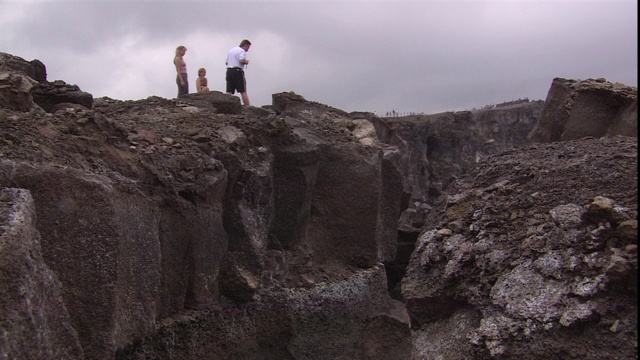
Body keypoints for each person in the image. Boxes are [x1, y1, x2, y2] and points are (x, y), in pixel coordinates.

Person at [225, 39, 251, 106]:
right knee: (243, 90)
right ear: (245, 45)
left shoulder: (231, 50)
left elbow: (226, 62)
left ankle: (226, 104)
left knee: (229, 90)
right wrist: (246, 62)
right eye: (248, 47)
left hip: (229, 70)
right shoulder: (242, 51)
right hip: (237, 71)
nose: (248, 50)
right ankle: (248, 106)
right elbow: (241, 60)